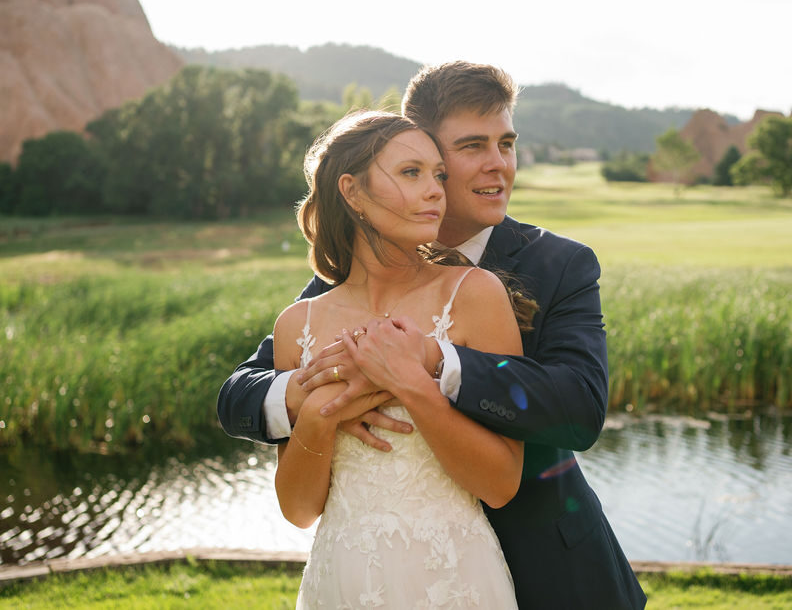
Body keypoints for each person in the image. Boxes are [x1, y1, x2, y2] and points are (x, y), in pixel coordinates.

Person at [218, 62, 647, 609]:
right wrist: (311, 395)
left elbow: (580, 408)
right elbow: (240, 393)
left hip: (548, 568)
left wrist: (432, 361)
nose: (499, 165)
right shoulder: (335, 289)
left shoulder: (558, 263)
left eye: (507, 143)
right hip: (363, 571)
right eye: (472, 147)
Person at [272, 110, 522, 607]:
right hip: (342, 577)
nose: (436, 191)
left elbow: (500, 484)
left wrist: (411, 383)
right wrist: (327, 415)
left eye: (439, 175)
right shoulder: (296, 325)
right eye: (412, 173)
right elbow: (299, 510)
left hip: (453, 580)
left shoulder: (475, 295)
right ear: (353, 192)